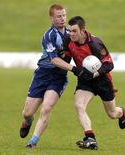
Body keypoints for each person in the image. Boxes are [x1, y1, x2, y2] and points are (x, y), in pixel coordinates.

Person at [19, 4, 87, 148]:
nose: (62, 19)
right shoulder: (49, 35)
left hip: (58, 77)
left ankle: (33, 142)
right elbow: (54, 60)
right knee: (27, 113)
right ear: (51, 18)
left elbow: (84, 45)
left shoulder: (71, 33)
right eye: (58, 16)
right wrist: (75, 69)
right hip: (42, 75)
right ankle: (27, 121)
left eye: (64, 15)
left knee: (46, 108)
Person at [59, 16, 125, 150]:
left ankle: (122, 113)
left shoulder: (95, 43)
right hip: (85, 80)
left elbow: (109, 64)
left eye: (74, 31)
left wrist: (94, 74)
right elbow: (67, 56)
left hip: (102, 80)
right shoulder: (68, 40)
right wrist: (63, 57)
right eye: (70, 31)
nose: (71, 34)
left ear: (83, 31)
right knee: (79, 105)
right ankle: (90, 138)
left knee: (112, 114)